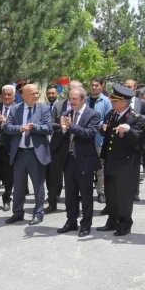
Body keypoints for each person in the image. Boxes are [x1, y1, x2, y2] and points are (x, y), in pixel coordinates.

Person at [96, 85, 145, 236]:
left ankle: (125, 223)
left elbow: (139, 141)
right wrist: (103, 156)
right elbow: (108, 138)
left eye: (114, 99)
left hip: (126, 163)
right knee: (111, 193)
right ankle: (112, 220)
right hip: (112, 160)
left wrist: (129, 130)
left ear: (124, 102)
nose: (111, 101)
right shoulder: (112, 114)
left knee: (123, 195)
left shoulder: (136, 118)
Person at [3, 83, 53, 225]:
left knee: (38, 185)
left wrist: (34, 127)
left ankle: (38, 213)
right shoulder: (15, 109)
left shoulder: (43, 108)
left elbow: (49, 128)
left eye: (37, 93)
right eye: (33, 93)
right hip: (19, 153)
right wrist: (20, 129)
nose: (36, 95)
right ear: (23, 95)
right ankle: (18, 213)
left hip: (36, 153)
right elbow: (7, 127)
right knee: (18, 186)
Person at [56, 85, 101, 237]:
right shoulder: (66, 113)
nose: (71, 101)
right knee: (70, 194)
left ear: (83, 99)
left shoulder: (93, 114)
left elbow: (89, 134)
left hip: (85, 161)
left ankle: (86, 224)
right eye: (70, 99)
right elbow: (63, 137)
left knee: (86, 194)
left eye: (74, 99)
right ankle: (71, 222)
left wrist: (71, 126)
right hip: (69, 160)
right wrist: (63, 129)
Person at [125, 78, 145, 201]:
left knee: (135, 166)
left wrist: (138, 116)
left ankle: (135, 191)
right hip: (122, 137)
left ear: (135, 88)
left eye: (129, 87)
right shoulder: (120, 101)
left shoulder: (143, 102)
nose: (127, 88)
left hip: (137, 137)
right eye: (125, 86)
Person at [87, 78, 112, 203]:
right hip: (85, 139)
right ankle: (85, 192)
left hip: (99, 139)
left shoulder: (106, 101)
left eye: (97, 85)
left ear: (102, 87)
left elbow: (109, 119)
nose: (94, 87)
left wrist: (99, 124)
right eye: (92, 85)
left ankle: (101, 192)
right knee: (86, 168)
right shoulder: (85, 100)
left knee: (100, 169)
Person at [0, 85, 15, 211]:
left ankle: (6, 199)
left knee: (8, 177)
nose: (6, 97)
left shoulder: (18, 108)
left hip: (10, 147)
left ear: (13, 96)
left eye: (9, 95)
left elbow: (19, 126)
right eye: (4, 94)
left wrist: (6, 122)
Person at [46, 84, 66, 213]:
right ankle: (52, 198)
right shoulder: (43, 107)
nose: (51, 95)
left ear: (57, 94)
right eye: (49, 93)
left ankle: (56, 196)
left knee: (58, 174)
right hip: (46, 144)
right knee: (50, 175)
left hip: (60, 144)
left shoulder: (61, 106)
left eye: (53, 93)